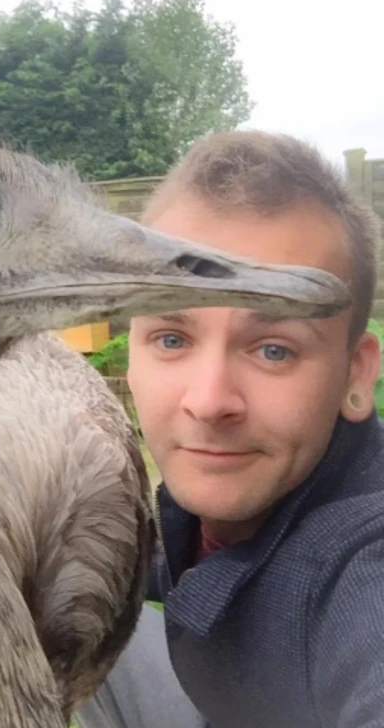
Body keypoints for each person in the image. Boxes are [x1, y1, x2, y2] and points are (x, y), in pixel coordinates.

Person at [75, 130, 384, 728]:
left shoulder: (361, 573)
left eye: (273, 350)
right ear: (132, 352)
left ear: (355, 372)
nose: (209, 401)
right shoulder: (233, 496)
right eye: (172, 338)